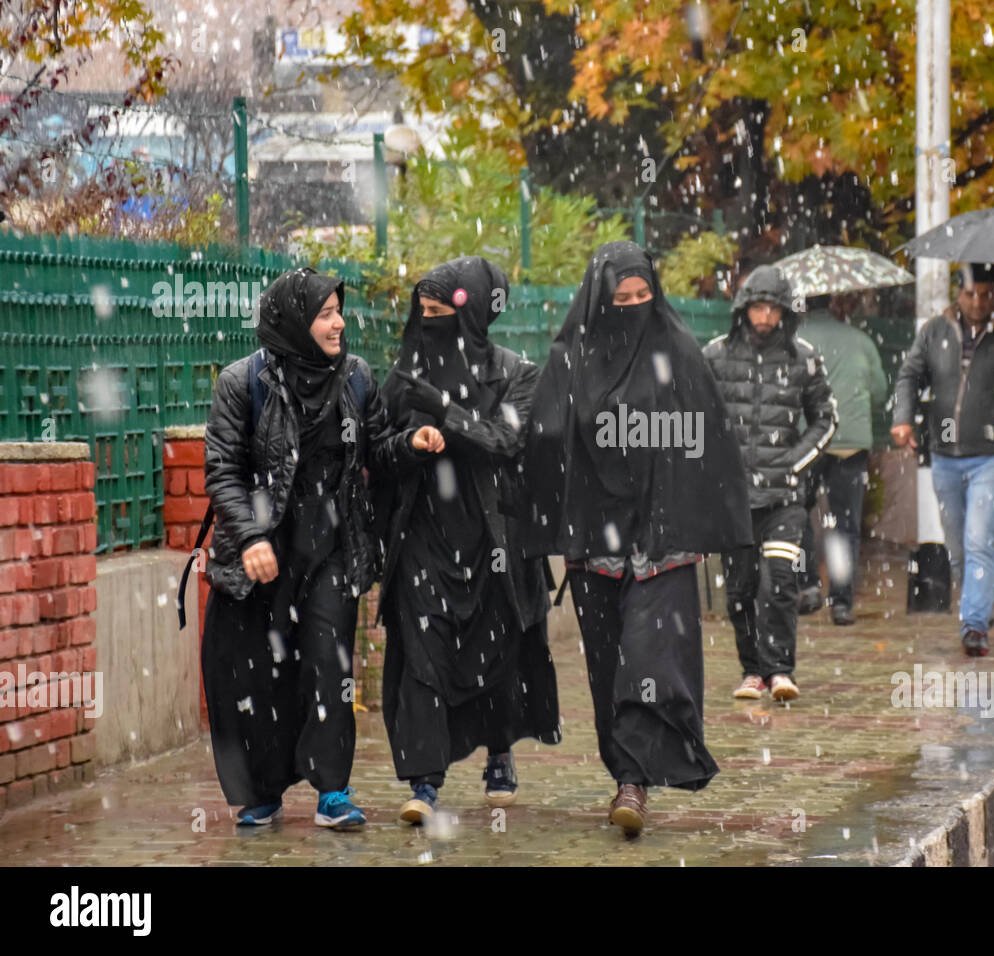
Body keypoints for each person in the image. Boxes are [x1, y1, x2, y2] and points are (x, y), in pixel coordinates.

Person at [521, 240, 751, 836]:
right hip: (594, 544)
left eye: (643, 296)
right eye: (620, 298)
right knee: (605, 667)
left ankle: (634, 783)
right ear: (599, 300)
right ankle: (626, 771)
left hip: (662, 543)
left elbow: (710, 440)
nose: (632, 306)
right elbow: (543, 440)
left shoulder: (677, 352)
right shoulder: (571, 361)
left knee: (647, 661)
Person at [372, 256, 561, 825]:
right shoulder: (406, 372)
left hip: (495, 536)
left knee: (497, 654)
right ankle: (425, 782)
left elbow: (506, 440)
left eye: (442, 313)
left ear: (474, 315)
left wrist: (447, 413)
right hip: (425, 535)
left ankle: (499, 751)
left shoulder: (517, 373)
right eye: (423, 313)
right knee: (423, 659)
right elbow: (376, 449)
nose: (430, 324)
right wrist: (411, 440)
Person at [201, 268, 384, 829]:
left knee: (328, 665)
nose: (338, 323)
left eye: (338, 310)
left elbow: (381, 450)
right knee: (255, 673)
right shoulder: (243, 382)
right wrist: (251, 536)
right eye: (325, 313)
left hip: (330, 547)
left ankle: (333, 790)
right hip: (261, 552)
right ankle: (262, 791)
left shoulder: (356, 378)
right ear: (295, 321)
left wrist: (421, 443)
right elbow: (222, 470)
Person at [704, 265, 837, 700]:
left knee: (779, 579)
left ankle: (780, 671)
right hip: (733, 496)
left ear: (783, 312)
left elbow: (826, 418)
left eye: (772, 309)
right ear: (744, 309)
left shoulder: (803, 357)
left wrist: (795, 464)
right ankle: (752, 671)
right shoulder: (715, 356)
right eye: (757, 307)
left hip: (785, 496)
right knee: (740, 588)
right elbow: (696, 416)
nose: (764, 316)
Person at [890, 263, 994, 656]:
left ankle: (973, 625)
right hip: (946, 451)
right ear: (958, 293)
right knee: (957, 545)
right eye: (970, 294)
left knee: (978, 537)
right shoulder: (935, 331)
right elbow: (909, 376)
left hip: (993, 454)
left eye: (985, 295)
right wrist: (903, 419)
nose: (977, 302)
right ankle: (978, 603)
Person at [794, 292, 889, 625]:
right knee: (845, 525)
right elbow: (880, 391)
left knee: (798, 513)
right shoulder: (861, 341)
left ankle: (806, 586)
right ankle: (841, 602)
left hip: (810, 442)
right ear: (834, 305)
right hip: (851, 442)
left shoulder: (796, 340)